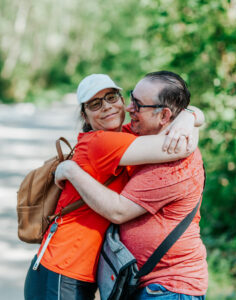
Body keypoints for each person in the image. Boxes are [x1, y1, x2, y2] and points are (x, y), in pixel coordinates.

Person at [24, 73, 203, 300]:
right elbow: (181, 146)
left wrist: (189, 115)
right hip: (63, 266)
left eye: (112, 97)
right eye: (95, 104)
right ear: (85, 115)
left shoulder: (126, 135)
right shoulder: (100, 141)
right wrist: (188, 120)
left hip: (80, 271)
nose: (107, 107)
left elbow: (177, 130)